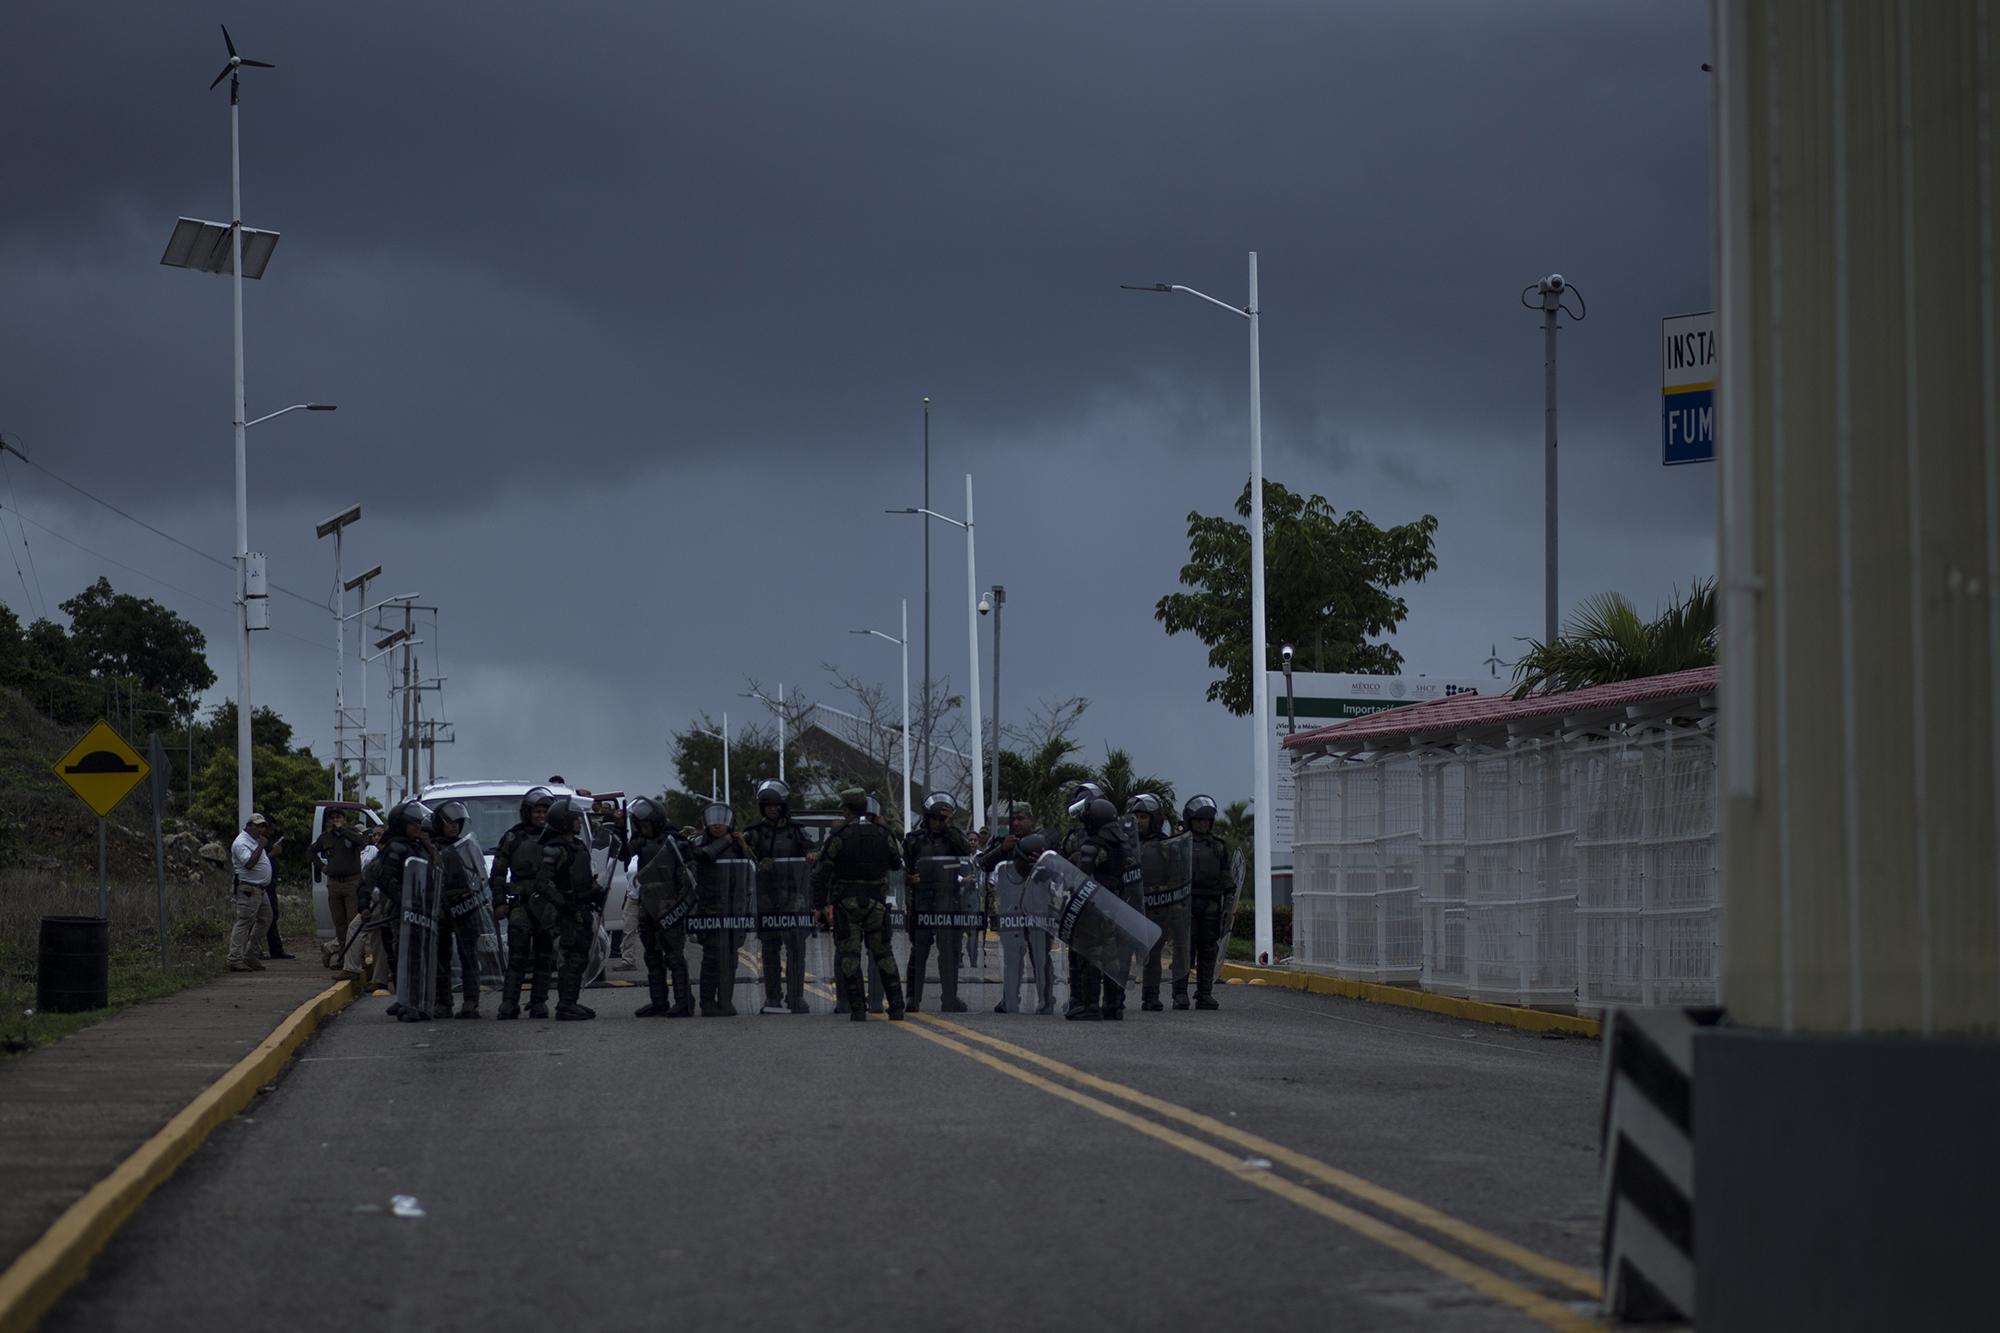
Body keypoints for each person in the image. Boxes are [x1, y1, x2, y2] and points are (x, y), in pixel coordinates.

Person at [811, 789, 907, 1022]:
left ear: (846, 809)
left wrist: (820, 906)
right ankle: (896, 1007)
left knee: (849, 955)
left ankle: (857, 1008)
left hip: (847, 902)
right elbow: (896, 863)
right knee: (883, 953)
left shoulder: (840, 835)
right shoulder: (883, 833)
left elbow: (821, 872)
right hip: (876, 901)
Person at [741, 779, 813, 1015]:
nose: (772, 808)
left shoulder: (796, 831)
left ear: (784, 805)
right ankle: (772, 997)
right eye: (767, 805)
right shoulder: (752, 833)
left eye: (776, 804)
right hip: (767, 898)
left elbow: (812, 853)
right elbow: (742, 857)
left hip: (793, 898)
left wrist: (813, 856)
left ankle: (796, 996)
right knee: (770, 950)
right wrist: (757, 862)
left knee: (796, 949)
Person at [535, 796, 603, 1021]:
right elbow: (542, 884)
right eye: (574, 818)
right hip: (568, 912)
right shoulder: (554, 849)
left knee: (581, 956)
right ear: (564, 821)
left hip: (582, 908)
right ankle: (565, 1005)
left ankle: (571, 1001)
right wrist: (565, 905)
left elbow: (585, 876)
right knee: (571, 957)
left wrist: (596, 891)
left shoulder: (577, 845)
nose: (578, 822)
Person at [904, 792, 973, 1013]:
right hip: (922, 901)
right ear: (926, 817)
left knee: (949, 951)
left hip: (947, 901)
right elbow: (901, 867)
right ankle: (913, 998)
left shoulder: (952, 838)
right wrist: (907, 878)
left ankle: (950, 998)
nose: (937, 822)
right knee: (920, 950)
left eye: (941, 819)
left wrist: (950, 825)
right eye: (934, 818)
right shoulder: (913, 839)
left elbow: (965, 850)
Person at [626, 797, 694, 1017]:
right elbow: (621, 854)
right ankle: (659, 1001)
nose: (643, 829)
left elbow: (690, 870)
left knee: (674, 956)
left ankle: (684, 1002)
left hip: (670, 905)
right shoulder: (640, 842)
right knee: (651, 955)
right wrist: (620, 829)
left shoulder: (674, 841)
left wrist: (684, 902)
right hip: (647, 904)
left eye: (646, 825)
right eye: (640, 825)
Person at [494, 787, 558, 1020]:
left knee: (544, 956)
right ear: (528, 812)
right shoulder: (513, 837)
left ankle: (539, 1002)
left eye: (545, 811)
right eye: (537, 811)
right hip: (520, 904)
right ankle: (509, 1003)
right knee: (518, 956)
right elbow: (498, 873)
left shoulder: (557, 838)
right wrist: (499, 902)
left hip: (548, 905)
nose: (541, 816)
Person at [1068, 797, 1132, 1021]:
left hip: (1093, 908)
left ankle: (1091, 1005)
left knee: (1090, 957)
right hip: (1117, 906)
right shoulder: (1123, 845)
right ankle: (1114, 1006)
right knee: (1112, 958)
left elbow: (1082, 878)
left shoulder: (1092, 845)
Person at [688, 802, 753, 1017]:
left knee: (731, 957)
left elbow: (756, 865)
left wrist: (743, 845)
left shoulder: (739, 846)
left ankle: (725, 1000)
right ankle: (707, 1001)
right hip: (709, 909)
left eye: (722, 819)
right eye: (713, 820)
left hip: (735, 909)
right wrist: (725, 840)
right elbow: (703, 856)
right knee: (712, 957)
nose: (717, 824)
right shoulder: (699, 843)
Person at [369, 801, 432, 1020]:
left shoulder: (417, 845)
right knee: (403, 954)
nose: (418, 827)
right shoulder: (396, 847)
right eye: (413, 823)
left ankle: (411, 998)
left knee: (417, 955)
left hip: (421, 908)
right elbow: (387, 879)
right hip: (401, 910)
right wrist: (404, 902)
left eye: (418, 822)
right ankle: (406, 1000)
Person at [1131, 793, 1192, 1012]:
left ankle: (1160, 995)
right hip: (1135, 905)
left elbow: (1178, 878)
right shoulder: (1127, 846)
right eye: (1136, 816)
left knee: (1158, 952)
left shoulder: (1167, 846)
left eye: (1144, 817)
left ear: (1154, 819)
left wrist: (1176, 906)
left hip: (1161, 905)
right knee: (1145, 954)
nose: (1139, 821)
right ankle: (1139, 996)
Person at [429, 801, 487, 1019]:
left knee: (469, 956)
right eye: (450, 822)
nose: (454, 827)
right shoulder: (430, 848)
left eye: (458, 823)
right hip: (440, 910)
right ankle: (443, 1002)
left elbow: (479, 876)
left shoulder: (465, 847)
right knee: (440, 957)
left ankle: (471, 1001)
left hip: (464, 908)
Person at [1185, 794, 1238, 1011]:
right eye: (1199, 820)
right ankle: (1180, 993)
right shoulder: (1180, 844)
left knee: (1208, 951)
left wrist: (1227, 908)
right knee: (1185, 951)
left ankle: (1204, 993)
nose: (1203, 824)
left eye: (1207, 820)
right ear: (1190, 821)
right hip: (1186, 903)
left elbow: (1228, 879)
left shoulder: (1218, 846)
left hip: (1211, 905)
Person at [310, 808, 367, 957]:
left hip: (352, 883)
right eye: (333, 818)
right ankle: (343, 955)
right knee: (339, 923)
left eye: (339, 817)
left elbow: (362, 842)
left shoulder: (353, 834)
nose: (335, 820)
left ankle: (355, 957)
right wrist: (321, 866)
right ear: (329, 821)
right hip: (334, 884)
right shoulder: (326, 837)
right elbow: (310, 851)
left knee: (353, 922)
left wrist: (343, 829)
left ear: (344, 819)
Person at [227, 813, 277, 973]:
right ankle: (234, 958)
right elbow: (249, 863)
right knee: (244, 921)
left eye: (263, 826)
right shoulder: (241, 842)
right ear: (249, 826)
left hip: (260, 889)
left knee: (266, 918)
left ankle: (251, 954)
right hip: (248, 888)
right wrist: (261, 846)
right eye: (258, 826)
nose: (261, 829)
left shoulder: (254, 841)